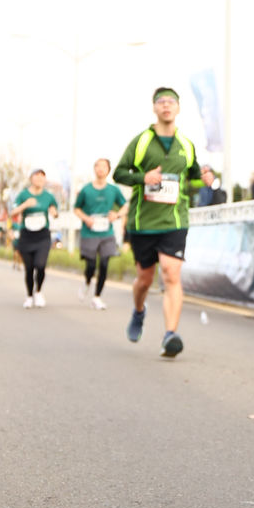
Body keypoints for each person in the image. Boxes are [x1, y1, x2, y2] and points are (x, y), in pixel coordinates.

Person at [113, 87, 202, 357]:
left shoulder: (186, 144)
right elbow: (119, 173)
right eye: (161, 101)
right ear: (154, 108)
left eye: (171, 102)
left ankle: (169, 335)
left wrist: (205, 179)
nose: (166, 105)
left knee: (171, 274)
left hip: (175, 220)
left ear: (178, 108)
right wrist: (143, 178)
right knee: (144, 279)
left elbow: (195, 177)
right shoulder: (141, 141)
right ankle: (139, 311)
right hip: (143, 222)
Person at [73, 158, 128, 309]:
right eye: (98, 166)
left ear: (108, 170)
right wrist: (86, 218)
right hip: (89, 232)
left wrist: (116, 215)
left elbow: (125, 206)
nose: (101, 169)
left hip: (106, 232)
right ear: (94, 168)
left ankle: (97, 297)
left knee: (104, 263)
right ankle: (87, 282)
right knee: (91, 265)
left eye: (104, 166)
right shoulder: (86, 189)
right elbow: (76, 209)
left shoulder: (113, 190)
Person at [12, 169, 59, 307]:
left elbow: (55, 211)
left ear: (45, 180)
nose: (39, 179)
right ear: (31, 178)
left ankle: (38, 291)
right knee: (29, 268)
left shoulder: (48, 196)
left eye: (42, 176)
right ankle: (29, 296)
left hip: (42, 235)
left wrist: (54, 212)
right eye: (36, 176)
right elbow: (13, 212)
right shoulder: (23, 195)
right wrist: (25, 205)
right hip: (26, 235)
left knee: (40, 265)